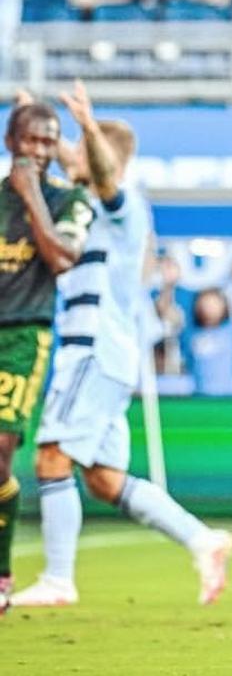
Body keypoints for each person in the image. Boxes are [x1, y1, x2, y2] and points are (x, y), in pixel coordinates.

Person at [10, 82, 232, 609]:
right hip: (108, 356)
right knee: (106, 481)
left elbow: (100, 171)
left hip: (91, 352)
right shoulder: (85, 202)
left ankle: (58, 579)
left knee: (51, 455)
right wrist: (31, 118)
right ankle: (202, 540)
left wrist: (88, 128)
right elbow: (77, 164)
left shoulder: (120, 206)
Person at [0, 97, 91, 614]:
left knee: (1, 450)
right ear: (11, 141)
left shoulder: (67, 200)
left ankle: (1, 574)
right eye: (30, 140)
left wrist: (30, 194)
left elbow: (60, 258)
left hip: (22, 335)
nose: (39, 150)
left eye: (48, 142)